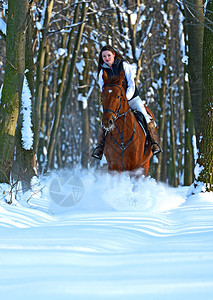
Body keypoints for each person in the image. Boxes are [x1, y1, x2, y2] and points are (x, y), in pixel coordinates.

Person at [92, 45, 162, 160]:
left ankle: (153, 143)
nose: (106, 58)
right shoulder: (102, 72)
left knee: (146, 116)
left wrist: (125, 99)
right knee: (104, 120)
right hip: (113, 103)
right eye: (104, 56)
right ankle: (100, 147)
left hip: (131, 98)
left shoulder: (123, 65)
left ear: (114, 55)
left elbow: (131, 85)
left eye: (109, 55)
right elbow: (103, 89)